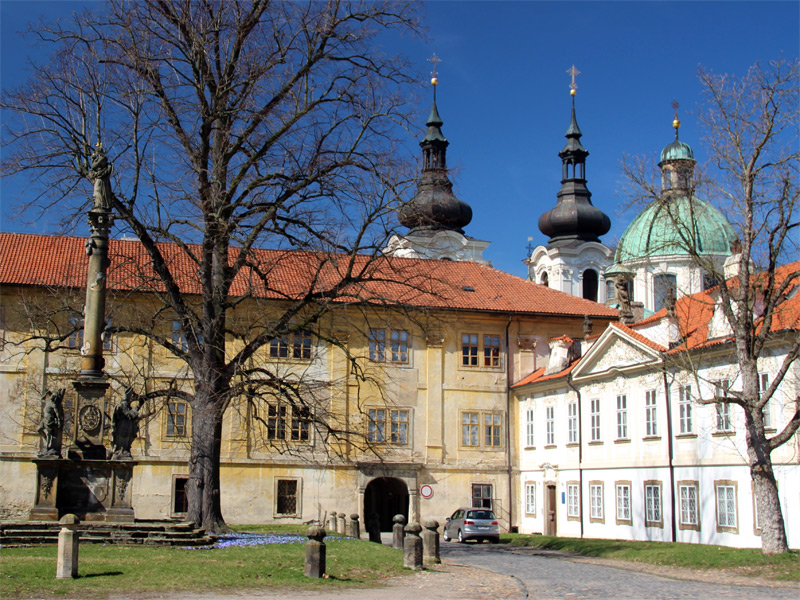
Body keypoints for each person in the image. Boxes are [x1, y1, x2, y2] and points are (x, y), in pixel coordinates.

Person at [111, 387, 140, 459]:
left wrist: (132, 414)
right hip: (121, 426)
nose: (126, 403)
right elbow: (118, 413)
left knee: (127, 438)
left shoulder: (129, 407)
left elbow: (134, 415)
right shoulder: (121, 406)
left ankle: (125, 450)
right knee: (120, 438)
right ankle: (119, 451)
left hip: (128, 426)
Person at [37, 388, 65, 457]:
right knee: (39, 429)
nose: (52, 396)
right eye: (52, 395)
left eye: (54, 396)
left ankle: (47, 446)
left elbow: (57, 413)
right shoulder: (47, 402)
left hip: (50, 419)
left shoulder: (53, 404)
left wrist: (59, 420)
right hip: (44, 419)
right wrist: (45, 394)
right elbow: (41, 399)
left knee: (49, 433)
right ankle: (46, 440)